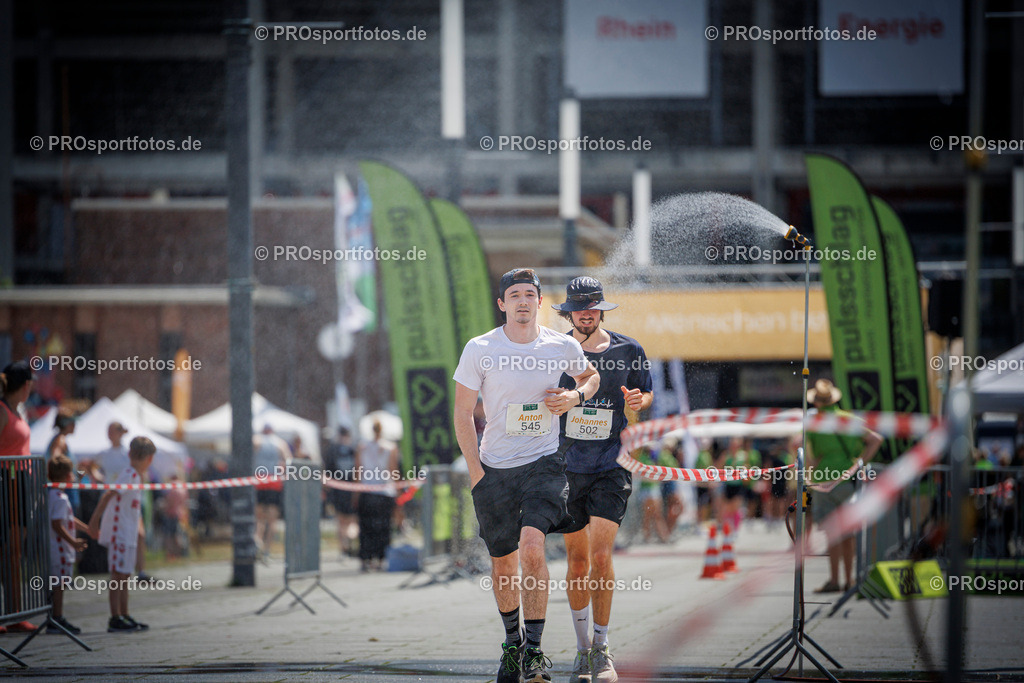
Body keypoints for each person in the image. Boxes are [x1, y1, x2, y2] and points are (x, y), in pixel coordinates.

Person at [453, 268, 600, 683]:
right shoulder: (480, 348)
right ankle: (512, 647)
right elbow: (462, 413)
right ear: (502, 304)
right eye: (513, 294)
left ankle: (534, 650)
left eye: (529, 294)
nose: (522, 301)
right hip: (495, 468)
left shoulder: (561, 344)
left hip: (544, 462)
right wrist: (476, 471)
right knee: (503, 566)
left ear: (539, 301)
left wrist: (575, 394)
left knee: (533, 549)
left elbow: (591, 376)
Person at [549, 276, 653, 683]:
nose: (587, 314)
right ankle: (582, 651)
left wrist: (636, 402)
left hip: (612, 464)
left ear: (602, 310)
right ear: (569, 313)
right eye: (579, 308)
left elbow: (646, 395)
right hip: (568, 467)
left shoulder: (630, 348)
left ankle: (603, 648)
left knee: (601, 558)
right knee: (576, 563)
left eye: (593, 308)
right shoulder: (556, 351)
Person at [805, 379, 882, 593]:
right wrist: (860, 462)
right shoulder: (849, 419)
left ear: (817, 402)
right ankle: (850, 580)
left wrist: (810, 478)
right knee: (849, 533)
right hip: (849, 479)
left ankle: (834, 580)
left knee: (832, 534)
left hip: (823, 481)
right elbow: (876, 439)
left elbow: (810, 458)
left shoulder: (814, 423)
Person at [88, 436, 157, 632]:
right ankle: (115, 616)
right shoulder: (128, 475)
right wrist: (94, 521)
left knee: (125, 574)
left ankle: (125, 614)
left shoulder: (135, 476)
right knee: (118, 575)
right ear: (149, 459)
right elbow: (108, 495)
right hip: (119, 533)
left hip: (128, 532)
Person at [0, 360, 40, 634]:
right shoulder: (2, 410)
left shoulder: (18, 410)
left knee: (15, 553)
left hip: (20, 480)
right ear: (25, 385)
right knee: (5, 552)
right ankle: (9, 613)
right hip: (5, 480)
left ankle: (15, 613)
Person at [96, 421, 156, 583]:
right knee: (120, 537)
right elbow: (89, 467)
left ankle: (141, 571)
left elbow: (139, 472)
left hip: (130, 499)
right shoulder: (104, 453)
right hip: (114, 499)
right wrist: (88, 476)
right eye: (108, 431)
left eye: (113, 431)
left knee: (139, 534)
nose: (110, 434)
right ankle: (119, 571)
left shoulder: (127, 453)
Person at [46, 454, 88, 634]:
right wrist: (73, 541)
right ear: (65, 476)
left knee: (58, 584)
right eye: (71, 472)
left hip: (58, 547)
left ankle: (55, 616)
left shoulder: (53, 495)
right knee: (60, 584)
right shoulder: (60, 499)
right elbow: (57, 524)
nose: (73, 475)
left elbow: (67, 519)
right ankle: (57, 618)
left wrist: (87, 529)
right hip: (61, 548)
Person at [354, 420, 399, 572]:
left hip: (367, 490)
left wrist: (356, 493)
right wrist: (398, 492)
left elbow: (358, 471)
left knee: (366, 527)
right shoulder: (390, 447)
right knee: (383, 527)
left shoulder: (363, 446)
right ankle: (380, 558)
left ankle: (366, 558)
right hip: (384, 491)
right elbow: (393, 470)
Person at [253, 425, 289, 561]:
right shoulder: (280, 443)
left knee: (259, 517)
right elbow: (288, 461)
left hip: (260, 479)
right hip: (274, 481)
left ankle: (258, 540)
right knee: (272, 519)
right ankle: (267, 549)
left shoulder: (257, 440)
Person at [324, 427, 358, 557]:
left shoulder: (332, 450)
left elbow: (327, 471)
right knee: (352, 520)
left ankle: (343, 546)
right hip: (352, 488)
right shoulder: (354, 448)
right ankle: (350, 536)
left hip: (337, 489)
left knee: (340, 520)